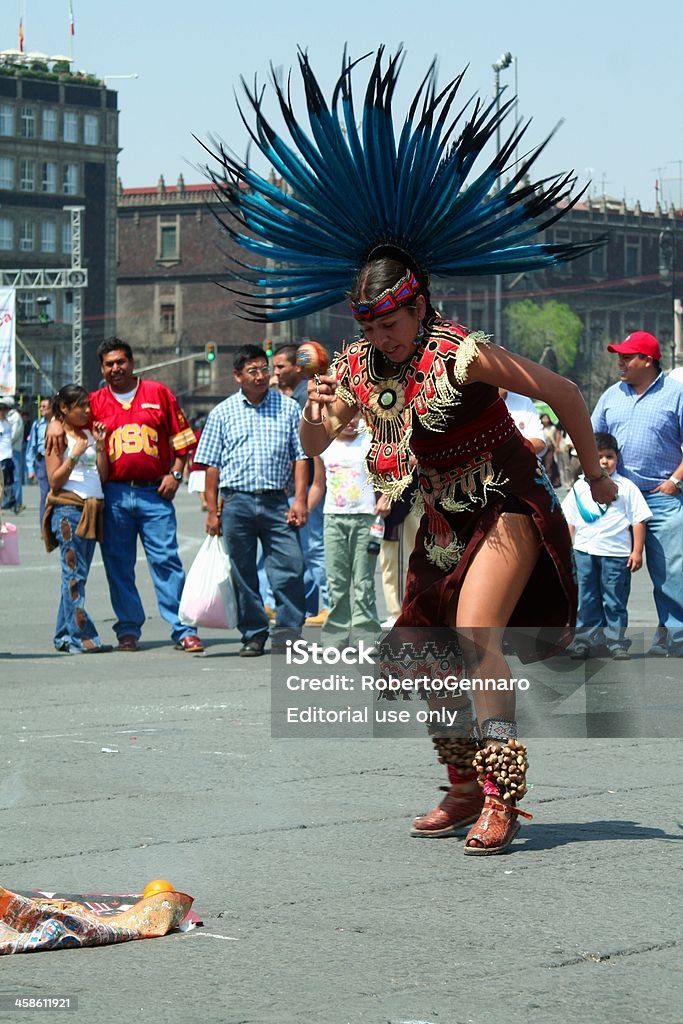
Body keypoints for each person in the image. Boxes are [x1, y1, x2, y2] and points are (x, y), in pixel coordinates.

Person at [204, 47, 615, 853]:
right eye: (366, 324)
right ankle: (461, 788)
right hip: (435, 516)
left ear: (417, 302)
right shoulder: (357, 366)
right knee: (420, 657)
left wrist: (594, 473)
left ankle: (501, 795)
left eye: (390, 321)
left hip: (504, 501)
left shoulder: (461, 351)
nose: (379, 335)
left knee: (473, 635)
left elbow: (562, 394)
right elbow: (326, 440)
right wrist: (317, 416)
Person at [46, 338, 203, 653]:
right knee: (119, 565)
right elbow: (68, 413)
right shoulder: (94, 402)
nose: (115, 368)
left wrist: (175, 474)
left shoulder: (159, 394)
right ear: (101, 368)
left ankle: (184, 628)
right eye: (109, 364)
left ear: (132, 363)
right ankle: (128, 630)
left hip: (154, 492)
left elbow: (183, 440)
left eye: (121, 362)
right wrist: (53, 421)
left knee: (167, 561)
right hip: (114, 493)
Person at [195, 345, 308, 657]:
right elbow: (211, 466)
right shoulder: (221, 413)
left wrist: (299, 500)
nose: (260, 376)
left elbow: (301, 457)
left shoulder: (287, 408)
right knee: (242, 573)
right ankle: (254, 633)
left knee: (290, 567)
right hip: (236, 504)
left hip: (276, 503)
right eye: (252, 371)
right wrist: (212, 511)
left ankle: (288, 634)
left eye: (264, 369)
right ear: (237, 376)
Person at [592, 331, 683, 656]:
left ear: (647, 360)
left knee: (671, 570)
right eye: (619, 356)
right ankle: (603, 637)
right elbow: (592, 437)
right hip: (615, 498)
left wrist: (675, 480)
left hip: (661, 495)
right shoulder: (611, 395)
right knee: (601, 570)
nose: (620, 362)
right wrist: (596, 478)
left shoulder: (675, 394)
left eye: (627, 356)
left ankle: (675, 637)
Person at [562, 432, 652, 659]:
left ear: (617, 458)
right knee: (587, 599)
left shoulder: (627, 487)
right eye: (599, 457)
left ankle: (616, 642)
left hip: (616, 555)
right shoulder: (579, 487)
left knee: (615, 601)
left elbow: (638, 520)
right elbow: (569, 522)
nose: (604, 461)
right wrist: (565, 550)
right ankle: (584, 641)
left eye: (609, 457)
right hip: (584, 552)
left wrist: (637, 551)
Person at [43, 385, 110, 654]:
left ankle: (63, 634)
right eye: (80, 406)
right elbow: (54, 480)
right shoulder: (57, 437)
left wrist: (101, 447)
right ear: (64, 409)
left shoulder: (87, 434)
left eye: (87, 405)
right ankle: (81, 635)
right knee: (74, 575)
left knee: (76, 574)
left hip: (92, 509)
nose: (87, 410)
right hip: (68, 511)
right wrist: (74, 454)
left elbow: (102, 475)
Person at [271, 344, 329, 624]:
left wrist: (311, 492)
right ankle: (308, 607)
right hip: (297, 485)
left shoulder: (309, 397)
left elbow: (315, 449)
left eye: (280, 366)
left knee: (314, 548)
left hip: (309, 485)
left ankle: (329, 607)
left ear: (298, 367)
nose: (276, 373)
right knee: (301, 550)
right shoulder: (292, 397)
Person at [319, 413, 381, 645]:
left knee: (364, 580)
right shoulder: (325, 443)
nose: (352, 421)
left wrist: (386, 498)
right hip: (333, 518)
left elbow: (389, 470)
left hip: (366, 517)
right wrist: (301, 505)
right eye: (346, 416)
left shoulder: (369, 438)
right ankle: (336, 635)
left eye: (356, 416)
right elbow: (317, 483)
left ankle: (366, 635)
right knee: (336, 580)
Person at [25, 398, 53, 529]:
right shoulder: (37, 425)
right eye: (40, 407)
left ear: (52, 408)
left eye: (44, 406)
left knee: (58, 494)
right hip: (42, 461)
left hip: (57, 461)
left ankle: (55, 525)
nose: (41, 409)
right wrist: (30, 469)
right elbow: (31, 448)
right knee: (44, 494)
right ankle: (44, 527)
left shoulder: (60, 423)